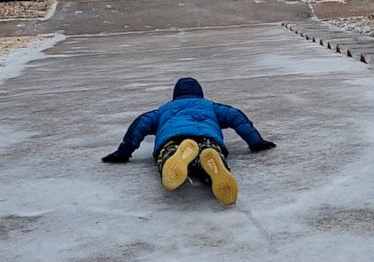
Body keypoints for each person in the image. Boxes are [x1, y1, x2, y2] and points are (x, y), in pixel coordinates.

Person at [102, 77, 275, 205]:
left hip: (171, 138)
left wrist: (124, 152)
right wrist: (256, 142)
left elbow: (140, 124)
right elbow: (236, 117)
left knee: (168, 153)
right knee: (209, 154)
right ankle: (210, 162)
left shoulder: (163, 110)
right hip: (207, 137)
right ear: (200, 94)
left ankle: (175, 158)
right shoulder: (210, 106)